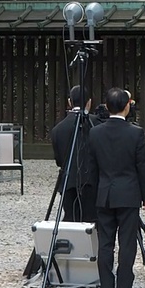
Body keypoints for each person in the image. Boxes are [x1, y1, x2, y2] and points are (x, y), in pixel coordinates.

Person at [88, 88, 145, 288]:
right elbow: (143, 167)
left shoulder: (95, 132)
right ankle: (124, 287)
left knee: (105, 242)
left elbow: (92, 166)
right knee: (127, 241)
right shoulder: (135, 132)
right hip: (129, 192)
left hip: (104, 192)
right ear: (127, 107)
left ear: (106, 107)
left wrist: (97, 192)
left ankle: (106, 286)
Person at [50, 85, 102, 222]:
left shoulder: (58, 129)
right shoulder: (97, 124)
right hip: (92, 182)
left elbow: (59, 160)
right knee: (92, 223)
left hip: (68, 181)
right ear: (89, 102)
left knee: (71, 222)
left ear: (69, 102)